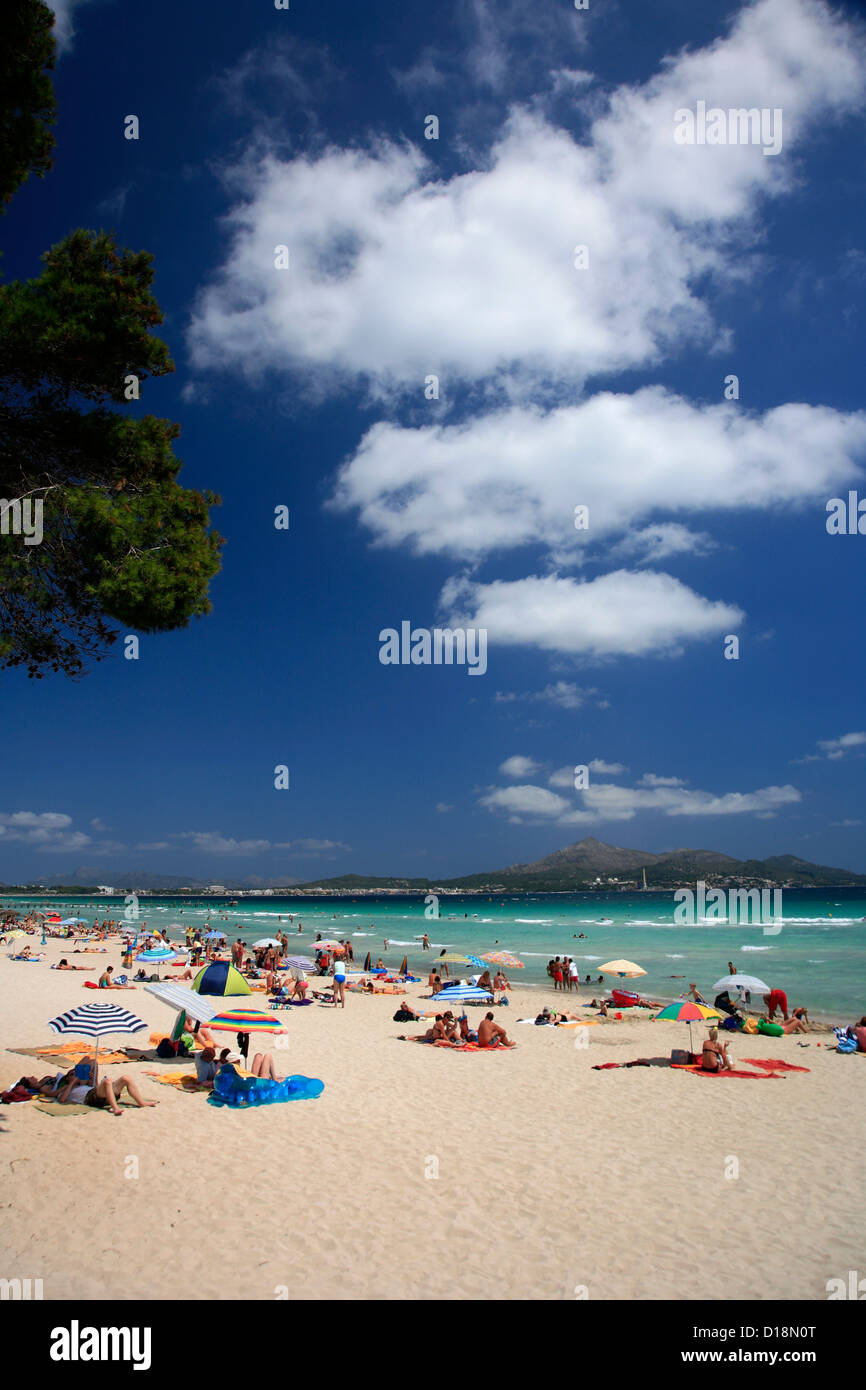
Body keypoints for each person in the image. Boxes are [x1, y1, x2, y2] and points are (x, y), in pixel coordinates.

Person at [58, 1067, 157, 1115]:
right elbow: (62, 1100)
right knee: (107, 1081)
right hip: (90, 1098)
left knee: (126, 1078)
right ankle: (115, 1108)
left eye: (75, 1074)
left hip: (98, 1093)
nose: (75, 1076)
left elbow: (96, 1086)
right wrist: (71, 1084)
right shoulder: (67, 1088)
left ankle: (141, 1102)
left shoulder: (83, 1084)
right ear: (67, 1079)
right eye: (71, 1074)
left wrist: (92, 1079)